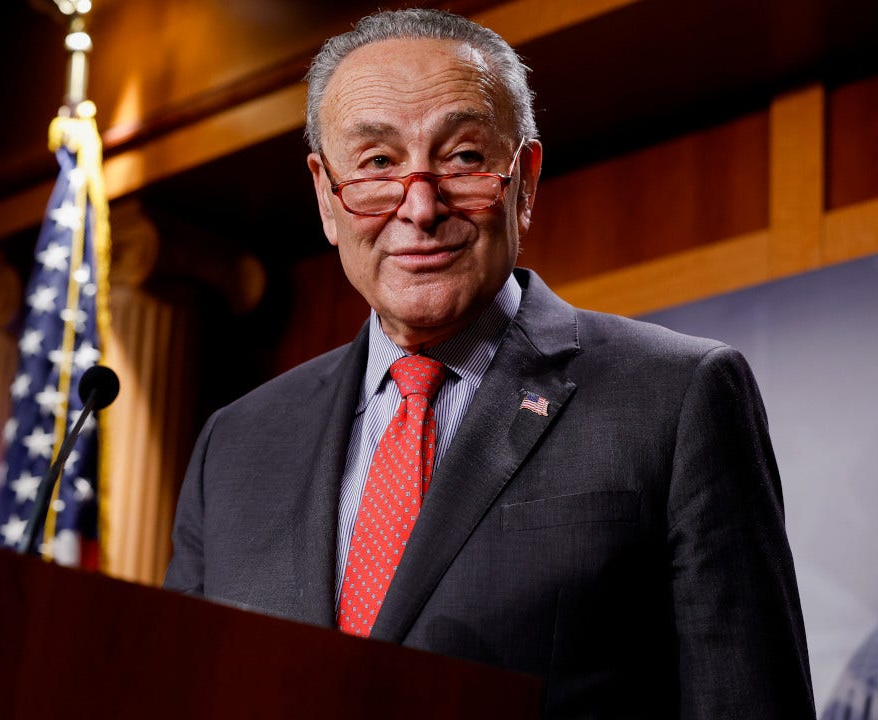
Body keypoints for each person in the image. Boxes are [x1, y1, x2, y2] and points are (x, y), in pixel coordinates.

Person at [162, 7, 816, 718]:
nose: (419, 206)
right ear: (327, 195)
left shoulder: (675, 397)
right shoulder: (235, 446)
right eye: (378, 163)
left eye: (464, 157)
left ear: (524, 179)